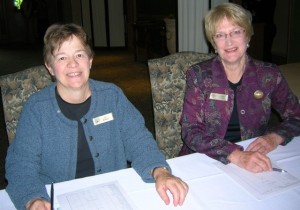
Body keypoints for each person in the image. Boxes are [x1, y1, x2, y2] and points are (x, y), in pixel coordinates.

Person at [5, 23, 188, 210]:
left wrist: (159, 170)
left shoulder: (112, 96)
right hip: (55, 199)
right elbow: (20, 164)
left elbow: (138, 140)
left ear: (90, 60)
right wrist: (33, 199)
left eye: (79, 55)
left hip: (111, 196)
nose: (73, 64)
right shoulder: (37, 109)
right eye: (62, 57)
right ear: (50, 68)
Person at [179, 3, 300, 173]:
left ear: (248, 36)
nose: (229, 41)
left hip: (253, 156)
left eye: (236, 32)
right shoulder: (199, 75)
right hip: (205, 158)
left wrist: (274, 137)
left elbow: (296, 115)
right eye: (220, 35)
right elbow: (190, 130)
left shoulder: (269, 75)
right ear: (213, 42)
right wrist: (235, 155)